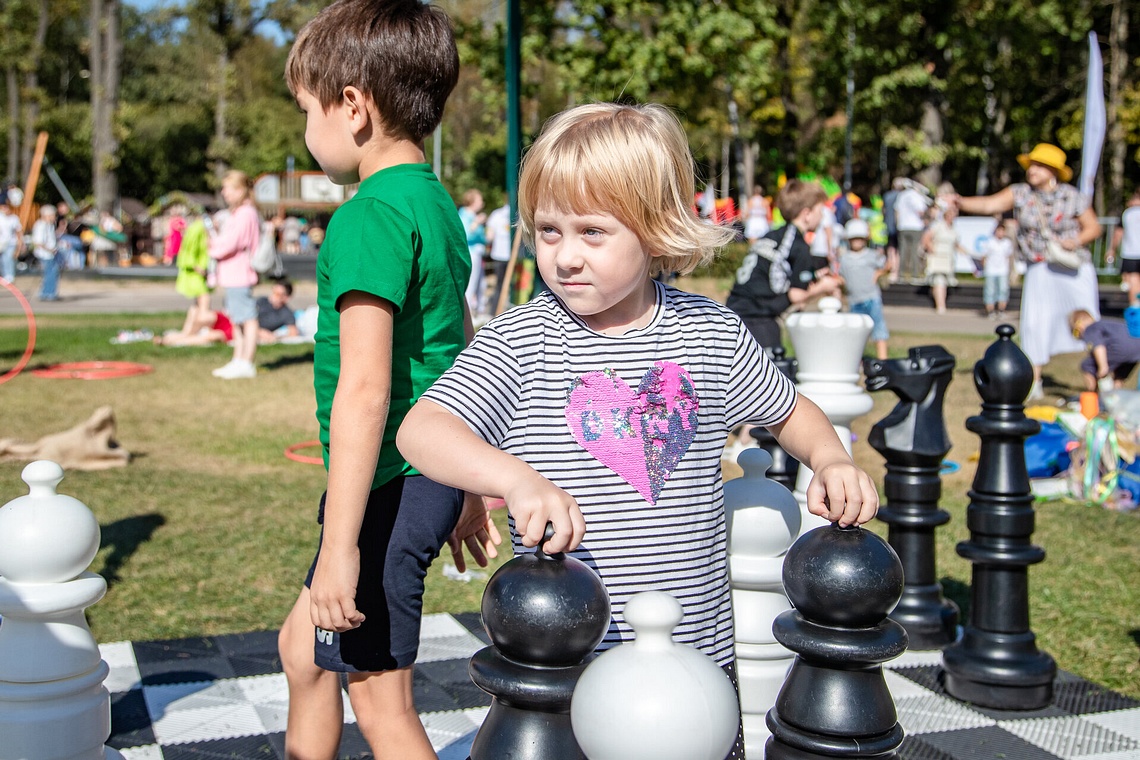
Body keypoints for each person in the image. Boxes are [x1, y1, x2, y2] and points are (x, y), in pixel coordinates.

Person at [396, 103, 879, 760]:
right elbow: (422, 431)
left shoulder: (709, 335)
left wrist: (830, 459)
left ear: (656, 231)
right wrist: (514, 479)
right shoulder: (521, 341)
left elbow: (790, 411)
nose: (564, 256)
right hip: (565, 668)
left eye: (592, 232)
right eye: (548, 230)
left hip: (696, 666)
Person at [280, 2, 499, 758]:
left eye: (306, 108)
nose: (305, 129)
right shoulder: (433, 202)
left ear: (352, 107)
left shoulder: (368, 215)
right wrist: (465, 485)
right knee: (302, 653)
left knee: (378, 699)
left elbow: (367, 390)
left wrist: (342, 548)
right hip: (421, 477)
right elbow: (457, 351)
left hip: (388, 483)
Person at [951, 143, 1102, 400]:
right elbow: (989, 205)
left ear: (1053, 171)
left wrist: (1075, 241)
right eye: (1032, 164)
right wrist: (960, 201)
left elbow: (1094, 227)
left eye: (1039, 165)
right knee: (1035, 324)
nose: (1032, 170)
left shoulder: (1072, 196)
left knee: (1089, 323)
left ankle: (1101, 381)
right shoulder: (1020, 193)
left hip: (1073, 269)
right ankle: (1035, 380)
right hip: (1040, 267)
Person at [725, 179, 843, 349]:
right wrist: (824, 287)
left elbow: (776, 271)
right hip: (758, 320)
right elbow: (797, 295)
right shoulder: (799, 245)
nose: (823, 215)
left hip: (733, 314)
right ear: (806, 213)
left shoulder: (773, 234)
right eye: (820, 210)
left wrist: (815, 276)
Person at [208, 170, 261, 380]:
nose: (224, 193)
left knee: (247, 318)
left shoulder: (245, 213)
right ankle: (238, 359)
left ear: (240, 190)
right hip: (233, 274)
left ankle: (246, 361)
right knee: (238, 319)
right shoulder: (240, 213)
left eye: (228, 188)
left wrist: (210, 246)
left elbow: (232, 243)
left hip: (239, 274)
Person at [838, 218, 889, 359]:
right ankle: (856, 361)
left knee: (879, 331)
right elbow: (842, 277)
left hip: (872, 298)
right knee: (856, 334)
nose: (857, 242)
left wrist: (879, 274)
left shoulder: (872, 255)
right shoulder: (844, 259)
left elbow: (886, 266)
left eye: (860, 239)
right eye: (854, 239)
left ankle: (883, 361)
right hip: (854, 301)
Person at [1070, 309, 1140, 391]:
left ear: (1079, 325)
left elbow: (1098, 346)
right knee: (1119, 374)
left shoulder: (1091, 328)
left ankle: (1092, 394)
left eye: (1075, 332)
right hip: (1137, 350)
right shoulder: (1106, 324)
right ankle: (1116, 396)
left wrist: (1103, 367)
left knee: (1087, 365)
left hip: (1120, 348)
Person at [921, 202, 966, 314]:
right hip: (938, 257)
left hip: (948, 258)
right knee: (939, 280)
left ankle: (939, 302)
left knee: (944, 282)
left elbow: (956, 244)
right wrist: (932, 249)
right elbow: (926, 238)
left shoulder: (953, 229)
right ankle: (940, 306)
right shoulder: (937, 225)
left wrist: (968, 253)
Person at [174, 212, 212, 318]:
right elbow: (189, 249)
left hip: (197, 268)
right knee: (204, 297)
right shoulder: (198, 228)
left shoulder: (199, 228)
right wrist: (196, 266)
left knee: (198, 302)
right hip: (195, 270)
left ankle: (194, 326)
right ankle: (204, 324)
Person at [458, 189, 487, 315]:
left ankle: (479, 311)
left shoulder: (473, 215)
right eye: (480, 200)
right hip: (471, 253)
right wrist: (477, 222)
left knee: (481, 284)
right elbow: (465, 234)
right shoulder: (465, 214)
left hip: (478, 253)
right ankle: (468, 313)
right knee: (471, 283)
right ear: (472, 201)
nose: (482, 203)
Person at [895, 178, 930, 284]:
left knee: (903, 251)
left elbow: (896, 211)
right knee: (915, 251)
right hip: (915, 226)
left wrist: (898, 224)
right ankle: (915, 275)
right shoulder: (917, 196)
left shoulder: (901, 195)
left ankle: (901, 275)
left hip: (903, 226)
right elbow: (921, 211)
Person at [976, 219, 1013, 319]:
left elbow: (1008, 257)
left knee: (1003, 290)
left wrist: (1011, 271)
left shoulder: (1007, 243)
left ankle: (1001, 311)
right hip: (991, 270)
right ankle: (990, 311)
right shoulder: (990, 242)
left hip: (1002, 270)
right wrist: (982, 269)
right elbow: (984, 257)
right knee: (990, 291)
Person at [484, 196, 513, 315]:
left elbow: (489, 236)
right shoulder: (518, 213)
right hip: (512, 256)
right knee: (514, 286)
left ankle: (495, 312)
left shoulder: (496, 214)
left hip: (499, 255)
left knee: (499, 285)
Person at [154, 304, 234, 347]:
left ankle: (176, 341)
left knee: (212, 335)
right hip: (226, 320)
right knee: (195, 310)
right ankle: (184, 335)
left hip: (230, 329)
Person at [1112, 189, 1140, 306]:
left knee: (1133, 280)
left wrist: (1112, 249)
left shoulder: (1127, 214)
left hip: (1130, 253)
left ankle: (1135, 308)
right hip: (1132, 252)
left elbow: (1118, 233)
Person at [31, 205, 60, 301]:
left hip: (51, 254)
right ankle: (47, 293)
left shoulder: (50, 225)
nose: (54, 218)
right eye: (52, 215)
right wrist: (50, 249)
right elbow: (38, 242)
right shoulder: (40, 225)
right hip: (45, 254)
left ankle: (50, 292)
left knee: (53, 272)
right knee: (49, 273)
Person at [0, 198, 22, 282]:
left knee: (8, 258)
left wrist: (20, 244)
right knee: (2, 260)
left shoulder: (14, 218)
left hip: (11, 242)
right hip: (1, 242)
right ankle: (4, 275)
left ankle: (9, 275)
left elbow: (18, 231)